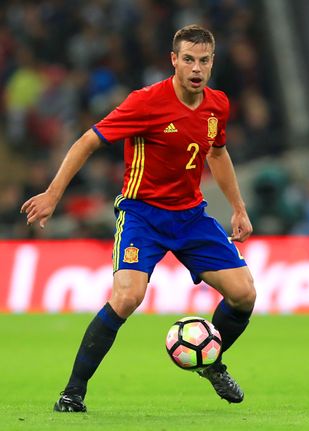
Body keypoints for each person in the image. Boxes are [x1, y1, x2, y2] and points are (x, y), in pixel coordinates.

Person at [21, 24, 256, 412]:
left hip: (190, 216)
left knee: (244, 294)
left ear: (212, 63)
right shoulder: (146, 102)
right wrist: (53, 193)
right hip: (142, 215)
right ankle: (73, 392)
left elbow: (217, 153)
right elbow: (88, 141)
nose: (196, 68)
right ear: (173, 61)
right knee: (127, 297)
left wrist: (239, 207)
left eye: (203, 60)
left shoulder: (218, 105)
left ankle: (211, 363)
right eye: (188, 60)